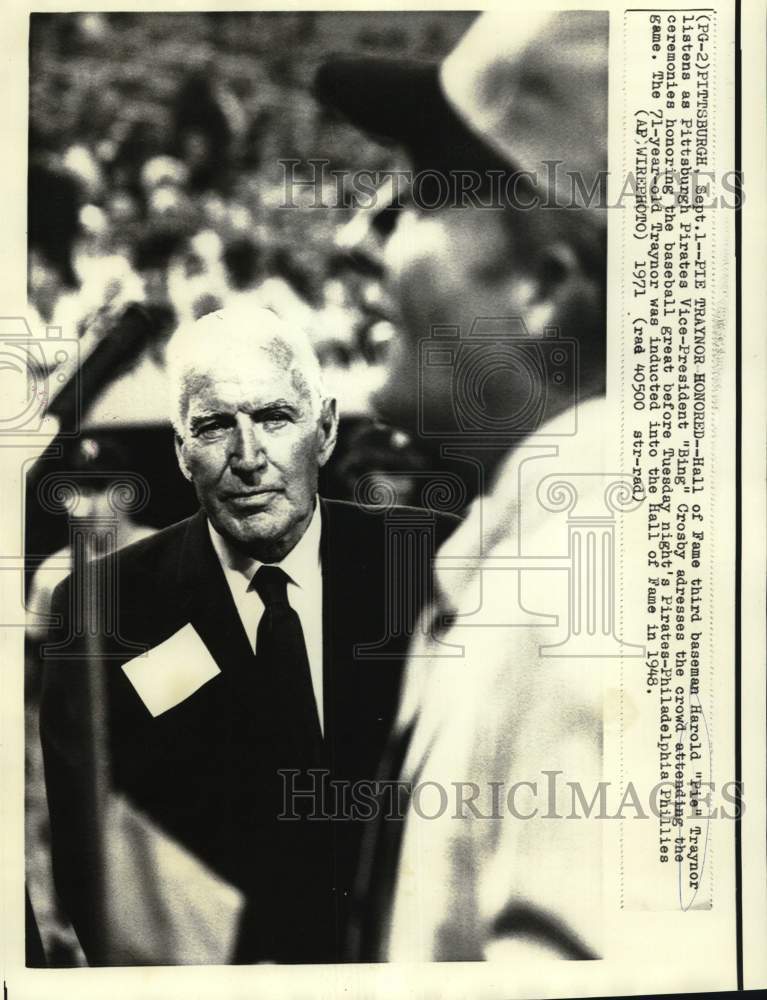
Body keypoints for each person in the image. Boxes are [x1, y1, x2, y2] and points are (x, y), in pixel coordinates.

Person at [316, 10, 619, 961]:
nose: (358, 240)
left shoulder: (597, 598)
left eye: (422, 195)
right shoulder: (551, 543)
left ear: (548, 285)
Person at [39, 303, 459, 965]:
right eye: (212, 427)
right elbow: (93, 867)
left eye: (272, 417)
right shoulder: (105, 610)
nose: (248, 457)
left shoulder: (424, 563)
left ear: (323, 431)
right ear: (180, 452)